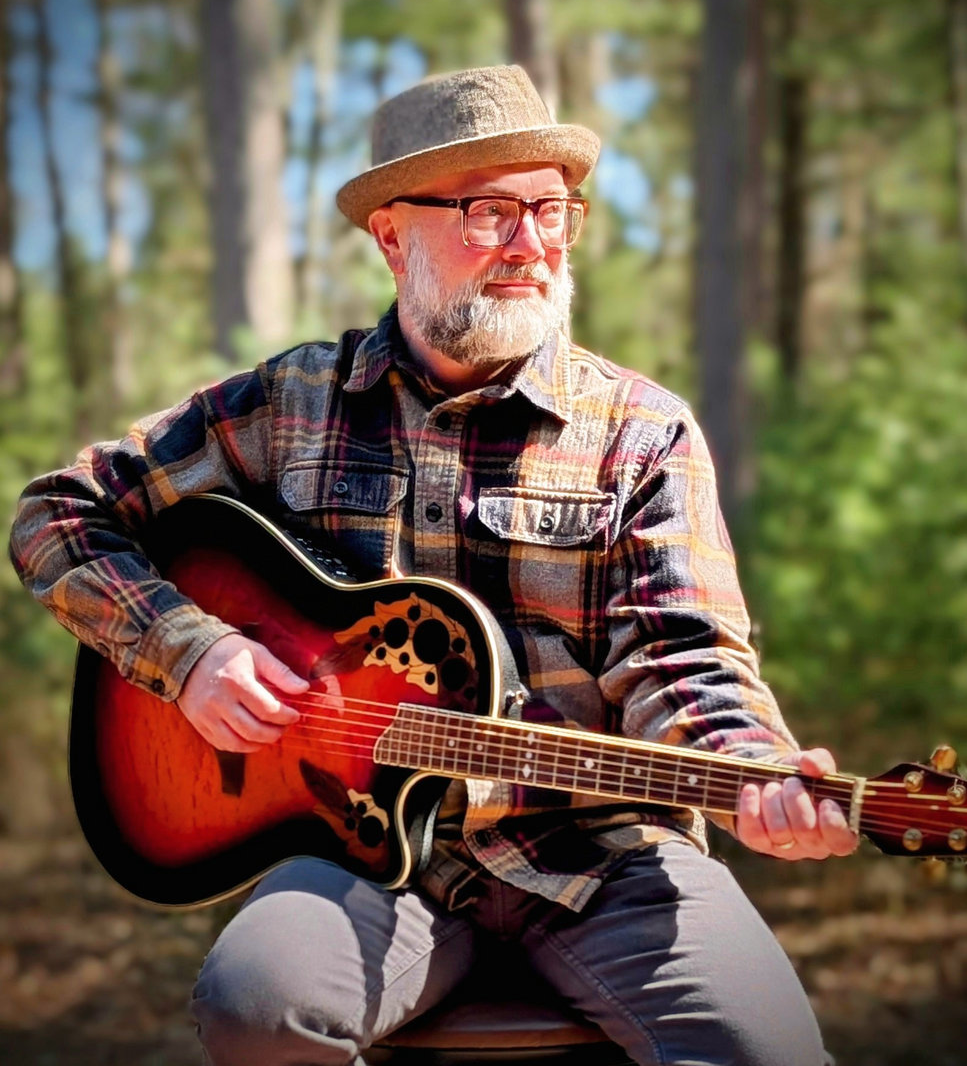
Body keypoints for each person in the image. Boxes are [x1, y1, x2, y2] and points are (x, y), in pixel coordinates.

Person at [9, 64, 857, 1066]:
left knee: (765, 1048)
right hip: (364, 856)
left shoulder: (643, 432)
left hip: (604, 854)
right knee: (256, 1011)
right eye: (489, 211)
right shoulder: (289, 405)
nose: (531, 243)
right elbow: (57, 514)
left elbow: (683, 657)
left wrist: (754, 769)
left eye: (552, 209)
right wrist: (188, 652)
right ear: (391, 235)